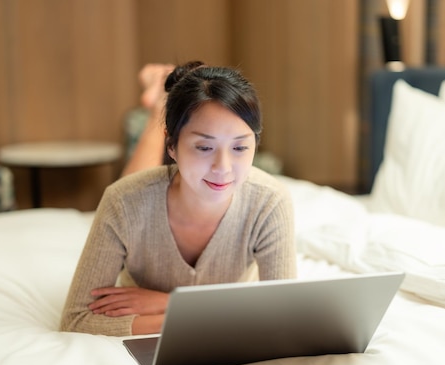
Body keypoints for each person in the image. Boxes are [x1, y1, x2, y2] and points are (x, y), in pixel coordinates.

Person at [60, 61, 297, 336]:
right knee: (135, 188)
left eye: (240, 147)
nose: (223, 167)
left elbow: (283, 317)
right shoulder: (122, 201)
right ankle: (159, 104)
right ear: (170, 145)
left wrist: (172, 304)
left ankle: (164, 97)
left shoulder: (269, 201)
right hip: (148, 189)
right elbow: (76, 319)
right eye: (205, 147)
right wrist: (198, 317)